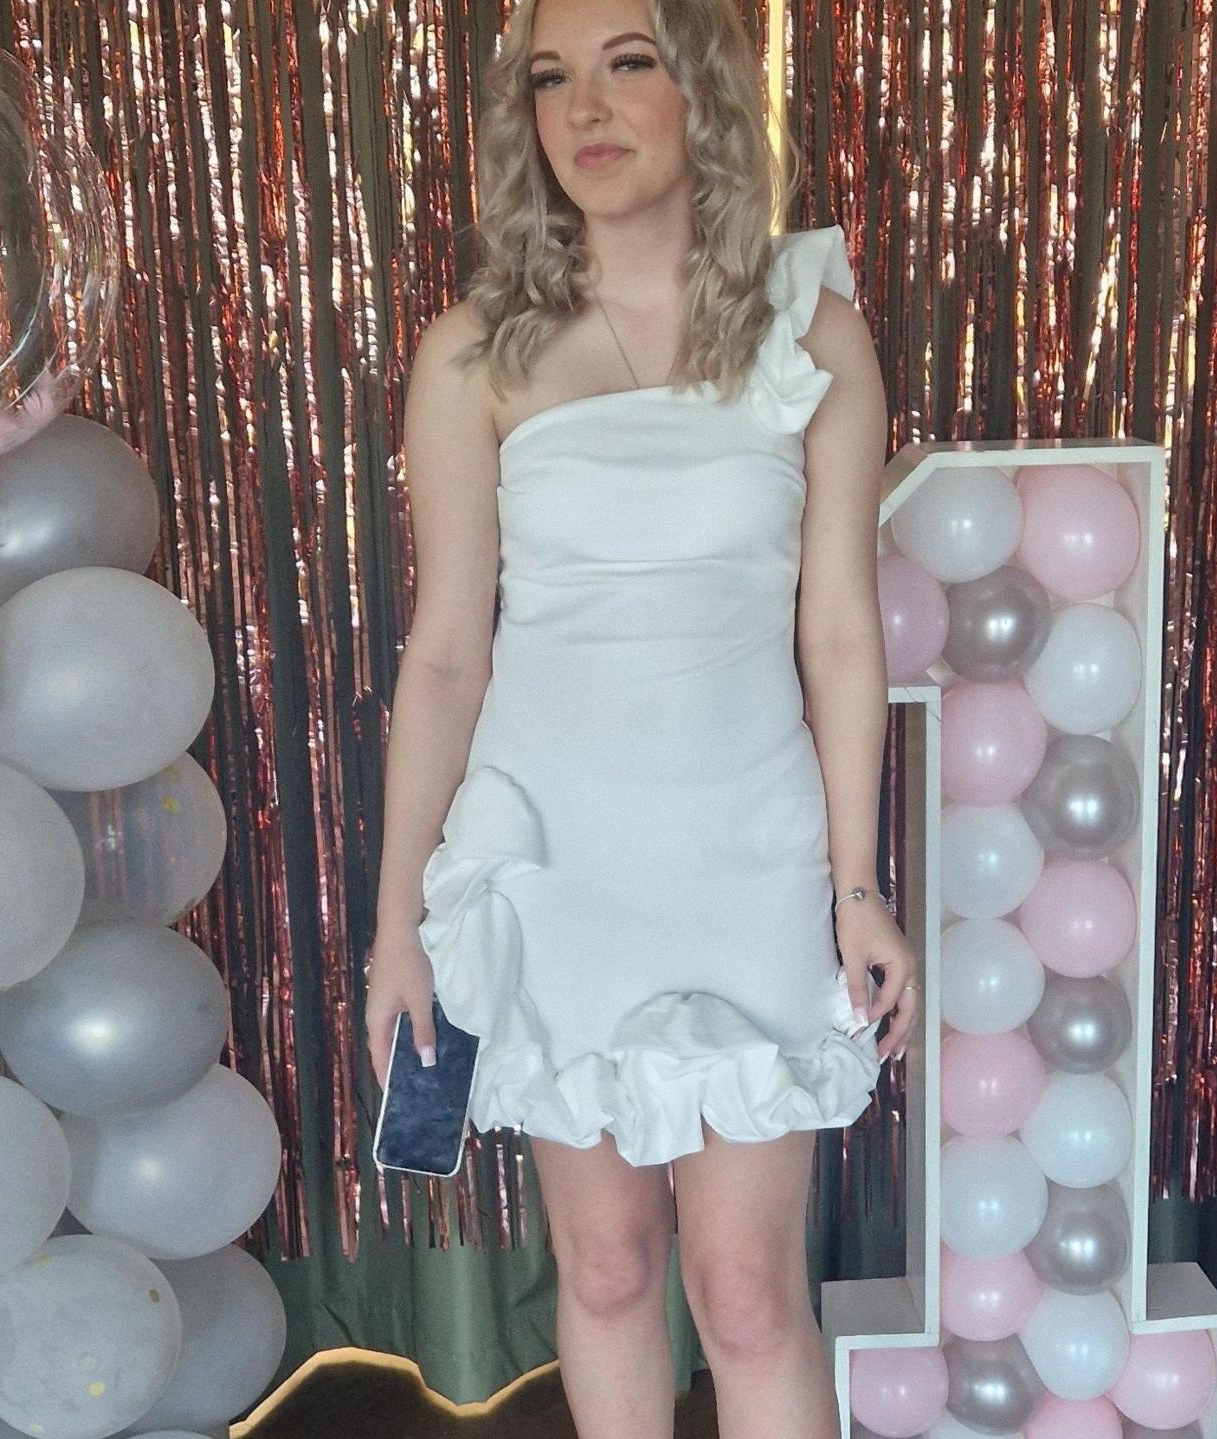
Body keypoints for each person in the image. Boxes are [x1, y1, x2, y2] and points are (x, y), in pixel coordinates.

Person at [360, 0, 920, 1435]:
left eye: (628, 65)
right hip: (559, 860)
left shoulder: (819, 335)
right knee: (605, 1273)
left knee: (745, 1294)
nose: (587, 111)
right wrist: (394, 930)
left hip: (748, 855)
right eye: (554, 79)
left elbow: (842, 636)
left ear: (708, 92)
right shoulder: (473, 350)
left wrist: (859, 887)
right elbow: (442, 660)